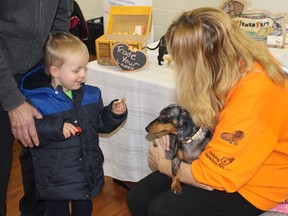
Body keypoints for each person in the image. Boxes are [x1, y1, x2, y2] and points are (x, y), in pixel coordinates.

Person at [127, 7, 288, 216]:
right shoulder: (235, 61)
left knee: (162, 209)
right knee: (138, 196)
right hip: (238, 160)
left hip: (259, 184)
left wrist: (162, 164)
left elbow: (212, 179)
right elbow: (210, 113)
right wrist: (172, 132)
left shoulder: (253, 94)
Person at [19, 32, 128, 216]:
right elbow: (32, 133)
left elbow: (100, 124)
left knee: (84, 210)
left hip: (85, 172)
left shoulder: (91, 94)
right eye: (76, 70)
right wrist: (57, 127)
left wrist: (113, 114)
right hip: (56, 178)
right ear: (55, 71)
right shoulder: (38, 101)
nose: (83, 75)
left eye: (85, 68)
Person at [0, 1, 73, 215]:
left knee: (39, 151)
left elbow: (61, 14)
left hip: (34, 70)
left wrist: (58, 66)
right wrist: (13, 101)